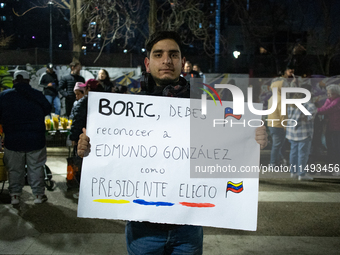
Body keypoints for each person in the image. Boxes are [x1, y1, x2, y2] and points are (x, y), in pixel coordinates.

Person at [77, 31, 268, 254]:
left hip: (188, 228)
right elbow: (108, 156)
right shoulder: (125, 109)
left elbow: (229, 148)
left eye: (173, 55)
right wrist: (87, 148)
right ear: (148, 63)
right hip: (143, 230)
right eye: (159, 54)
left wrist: (253, 139)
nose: (167, 60)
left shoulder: (206, 106)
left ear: (182, 62)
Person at [0, 70, 51, 205]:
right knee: (36, 167)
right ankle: (39, 195)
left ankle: (15, 196)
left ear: (14, 81)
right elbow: (47, 109)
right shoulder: (37, 95)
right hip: (36, 139)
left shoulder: (4, 96)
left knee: (15, 169)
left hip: (13, 140)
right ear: (28, 81)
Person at [286, 85, 317, 181]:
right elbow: (312, 114)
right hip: (304, 132)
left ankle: (293, 172)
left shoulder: (291, 103)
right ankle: (302, 174)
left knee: (293, 152)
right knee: (303, 154)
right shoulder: (309, 104)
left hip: (292, 132)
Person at [267, 64, 296, 167]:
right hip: (279, 125)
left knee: (277, 145)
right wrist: (285, 126)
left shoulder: (272, 98)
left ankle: (277, 162)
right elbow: (283, 114)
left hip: (271, 124)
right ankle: (273, 163)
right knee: (277, 145)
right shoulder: (282, 99)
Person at [317, 84, 340, 169]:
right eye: (328, 93)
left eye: (331, 93)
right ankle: (330, 163)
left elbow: (327, 109)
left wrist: (315, 110)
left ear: (336, 93)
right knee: (330, 146)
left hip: (337, 128)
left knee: (336, 147)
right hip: (329, 127)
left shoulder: (337, 101)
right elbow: (324, 108)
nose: (328, 95)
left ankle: (336, 164)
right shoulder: (329, 100)